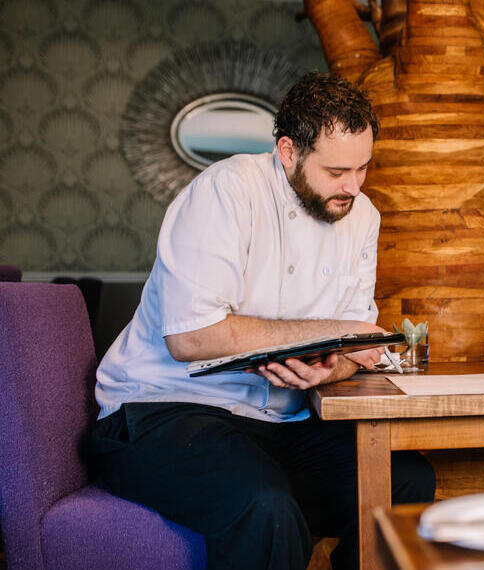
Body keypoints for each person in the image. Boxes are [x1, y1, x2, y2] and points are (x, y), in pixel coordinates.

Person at [90, 72, 435, 569]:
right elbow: (189, 337)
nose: (353, 186)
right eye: (337, 170)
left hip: (280, 420)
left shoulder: (363, 216)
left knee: (406, 481)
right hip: (164, 410)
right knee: (266, 506)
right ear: (289, 151)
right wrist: (331, 337)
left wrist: (330, 368)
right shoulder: (226, 192)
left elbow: (355, 349)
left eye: (363, 168)